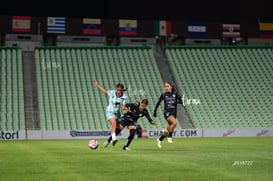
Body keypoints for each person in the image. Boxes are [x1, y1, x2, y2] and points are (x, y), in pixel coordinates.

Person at [94, 80, 129, 146]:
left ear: (122, 90)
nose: (118, 92)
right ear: (116, 89)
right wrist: (97, 85)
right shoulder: (112, 92)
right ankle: (114, 138)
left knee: (120, 127)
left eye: (120, 90)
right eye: (117, 90)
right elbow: (104, 91)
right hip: (110, 111)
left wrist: (126, 109)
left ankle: (109, 140)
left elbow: (123, 106)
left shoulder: (124, 97)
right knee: (114, 125)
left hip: (117, 113)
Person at [153, 81, 183, 148]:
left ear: (171, 87)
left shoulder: (175, 94)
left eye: (167, 86)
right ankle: (170, 136)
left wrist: (177, 102)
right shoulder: (163, 95)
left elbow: (180, 101)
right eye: (165, 86)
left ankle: (160, 139)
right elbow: (158, 103)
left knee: (167, 130)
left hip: (173, 113)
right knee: (174, 123)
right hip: (167, 113)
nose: (166, 88)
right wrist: (155, 111)